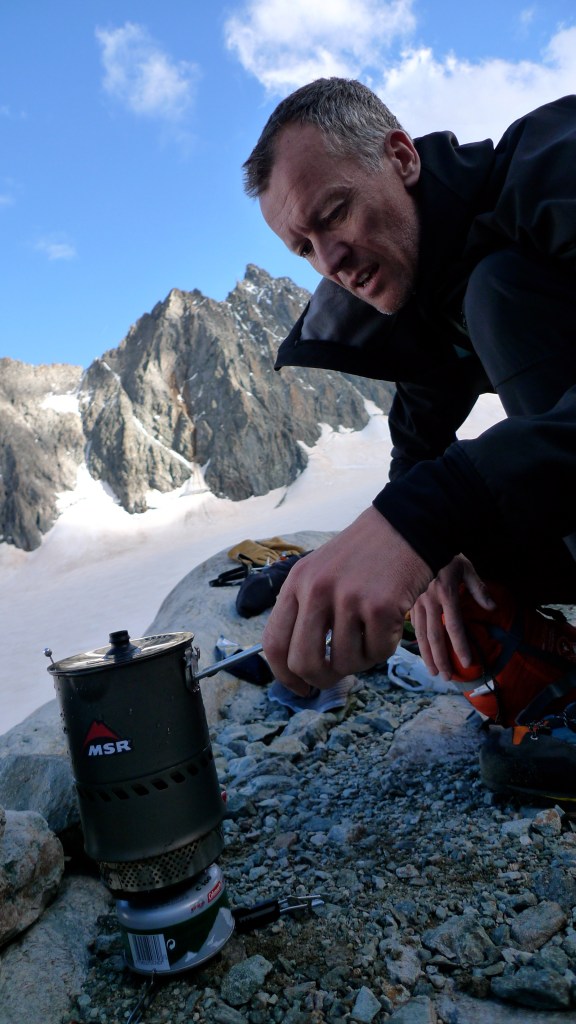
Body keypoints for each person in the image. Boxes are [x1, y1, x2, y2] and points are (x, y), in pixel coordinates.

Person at [242, 78, 576, 802]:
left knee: (502, 293)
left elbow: (433, 495)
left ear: (401, 157)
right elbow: (416, 457)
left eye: (335, 214)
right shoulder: (427, 291)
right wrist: (421, 557)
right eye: (304, 248)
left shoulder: (553, 168)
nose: (329, 260)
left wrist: (425, 520)